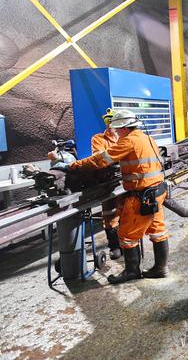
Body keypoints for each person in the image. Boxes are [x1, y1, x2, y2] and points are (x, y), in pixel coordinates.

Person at [64, 110, 169, 284]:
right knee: (157, 230)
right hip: (157, 191)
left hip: (142, 196)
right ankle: (161, 268)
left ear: (125, 128)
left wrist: (72, 166)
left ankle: (132, 271)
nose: (117, 132)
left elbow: (101, 160)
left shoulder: (129, 141)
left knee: (127, 235)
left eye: (118, 129)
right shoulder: (146, 138)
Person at [92, 109, 122, 260]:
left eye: (112, 121)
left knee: (127, 210)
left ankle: (127, 242)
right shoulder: (98, 139)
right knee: (109, 214)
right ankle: (114, 245)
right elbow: (101, 158)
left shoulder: (125, 138)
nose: (110, 124)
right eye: (107, 121)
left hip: (125, 180)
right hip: (108, 182)